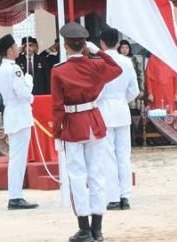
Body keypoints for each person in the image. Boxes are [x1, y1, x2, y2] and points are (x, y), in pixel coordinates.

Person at [51, 22, 123, 242]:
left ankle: (84, 228)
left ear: (65, 45)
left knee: (77, 176)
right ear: (84, 45)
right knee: (97, 175)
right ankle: (98, 228)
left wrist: (56, 133)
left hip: (73, 125)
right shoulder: (96, 65)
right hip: (94, 121)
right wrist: (97, 51)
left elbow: (57, 106)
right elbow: (116, 67)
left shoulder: (59, 71)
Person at [94, 28, 139, 212]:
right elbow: (134, 91)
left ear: (102, 43)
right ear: (118, 43)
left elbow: (97, 90)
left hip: (105, 110)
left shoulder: (100, 62)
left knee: (108, 156)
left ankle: (112, 197)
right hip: (122, 110)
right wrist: (121, 100)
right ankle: (125, 196)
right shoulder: (127, 62)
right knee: (123, 156)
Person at [0, 34, 39, 210]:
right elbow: (23, 93)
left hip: (13, 113)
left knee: (17, 157)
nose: (18, 49)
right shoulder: (14, 69)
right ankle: (15, 196)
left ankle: (16, 195)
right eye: (15, 46)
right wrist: (29, 82)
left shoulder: (3, 68)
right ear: (9, 50)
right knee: (18, 158)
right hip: (19, 113)